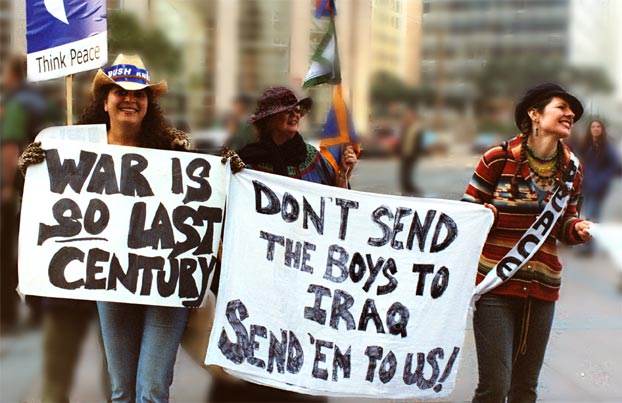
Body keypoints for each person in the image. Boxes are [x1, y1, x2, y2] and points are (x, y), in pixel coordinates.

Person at [19, 54, 190, 403]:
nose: (130, 99)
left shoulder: (171, 148)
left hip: (164, 282)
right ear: (105, 101)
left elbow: (200, 202)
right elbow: (51, 201)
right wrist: (33, 170)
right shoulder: (78, 149)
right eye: (120, 92)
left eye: (139, 93)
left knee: (152, 390)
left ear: (149, 103)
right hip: (111, 283)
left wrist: (225, 167)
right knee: (121, 391)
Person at [212, 86, 357, 402]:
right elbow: (224, 207)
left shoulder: (314, 159)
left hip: (304, 270)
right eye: (286, 110)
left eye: (297, 110)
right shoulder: (245, 160)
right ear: (268, 119)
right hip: (260, 273)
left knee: (299, 342)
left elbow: (336, 209)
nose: (294, 115)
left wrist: (343, 175)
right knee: (260, 343)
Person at [462, 83, 592, 402]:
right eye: (562, 107)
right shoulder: (498, 158)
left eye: (572, 111)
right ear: (535, 113)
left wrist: (578, 229)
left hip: (542, 290)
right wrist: (484, 214)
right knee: (494, 387)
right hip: (496, 287)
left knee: (525, 389)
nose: (570, 114)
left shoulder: (572, 169)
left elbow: (565, 223)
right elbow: (464, 216)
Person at [1, 54, 57, 332]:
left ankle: (9, 312)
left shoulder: (15, 104)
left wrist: (7, 186)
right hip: (52, 187)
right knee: (40, 244)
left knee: (12, 248)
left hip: (23, 186)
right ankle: (38, 308)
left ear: (14, 76)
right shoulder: (46, 104)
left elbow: (11, 148)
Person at [576, 119, 621, 225]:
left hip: (598, 185)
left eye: (598, 127)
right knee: (585, 211)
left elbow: (615, 164)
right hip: (586, 184)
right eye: (593, 127)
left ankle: (592, 233)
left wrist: (603, 177)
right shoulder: (585, 144)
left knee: (592, 213)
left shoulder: (606, 145)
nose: (595, 129)